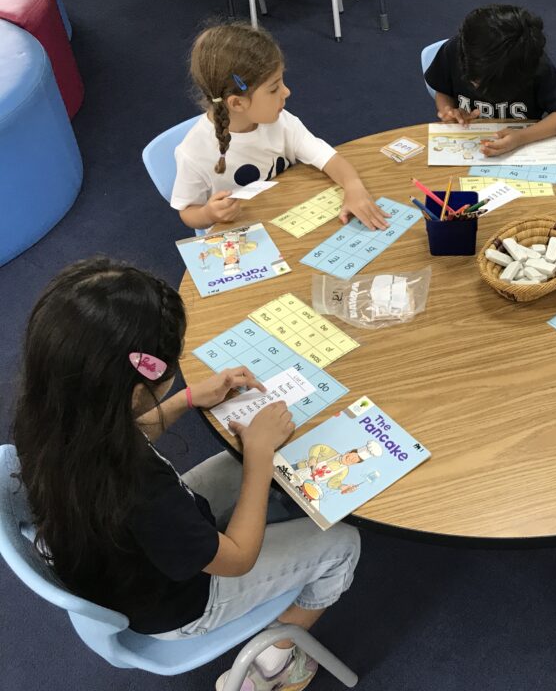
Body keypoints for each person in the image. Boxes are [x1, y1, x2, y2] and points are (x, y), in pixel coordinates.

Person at [11, 258, 360, 691]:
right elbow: (237, 560)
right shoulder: (139, 489)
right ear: (136, 391)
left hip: (129, 560)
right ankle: (277, 663)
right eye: (173, 367)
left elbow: (130, 434)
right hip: (186, 603)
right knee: (343, 542)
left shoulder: (51, 418)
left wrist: (189, 398)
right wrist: (258, 455)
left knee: (252, 469)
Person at [171, 23, 388, 232]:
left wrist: (353, 186)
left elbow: (327, 157)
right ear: (237, 103)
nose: (287, 92)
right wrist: (209, 214)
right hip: (246, 234)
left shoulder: (281, 121)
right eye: (274, 88)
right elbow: (188, 212)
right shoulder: (193, 153)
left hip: (289, 216)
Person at [424, 3, 556, 157]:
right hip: (468, 137)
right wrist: (448, 110)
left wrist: (521, 137)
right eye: (475, 83)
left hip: (521, 144)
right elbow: (442, 90)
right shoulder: (454, 50)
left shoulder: (535, 64)